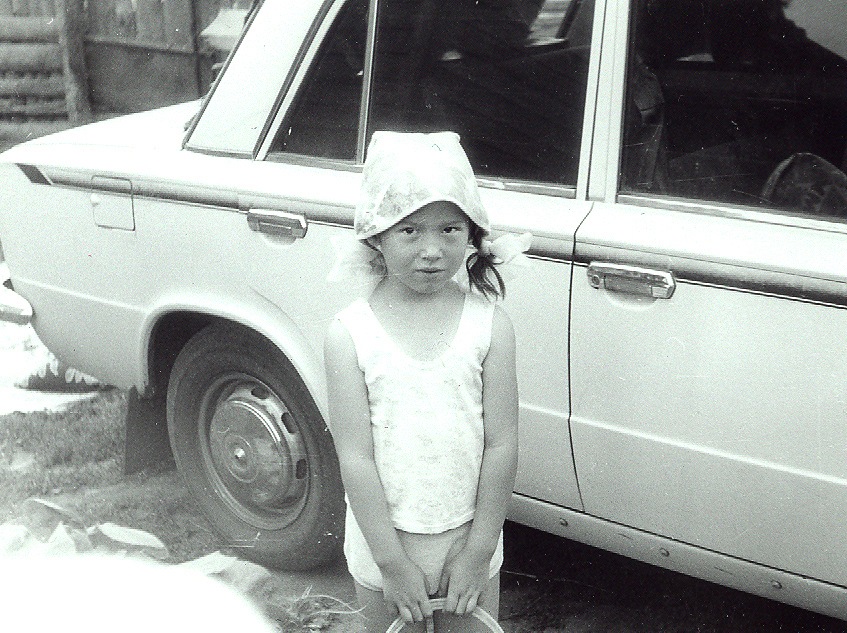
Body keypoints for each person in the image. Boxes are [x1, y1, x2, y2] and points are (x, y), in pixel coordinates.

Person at [324, 131, 522, 632]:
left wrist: (478, 551)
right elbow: (356, 457)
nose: (432, 250)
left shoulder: (490, 326)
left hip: (468, 542)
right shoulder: (350, 335)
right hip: (383, 544)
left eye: (449, 229)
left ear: (472, 233)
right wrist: (391, 563)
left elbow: (501, 443)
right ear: (376, 234)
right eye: (409, 230)